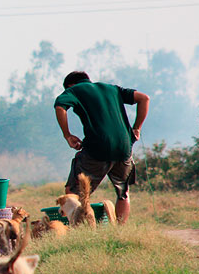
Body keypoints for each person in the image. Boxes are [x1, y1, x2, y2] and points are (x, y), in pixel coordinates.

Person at [53, 71, 149, 223]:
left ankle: (81, 230)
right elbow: (144, 98)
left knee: (73, 192)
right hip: (124, 147)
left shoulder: (74, 90)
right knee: (123, 193)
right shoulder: (112, 89)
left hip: (98, 147)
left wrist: (67, 135)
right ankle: (119, 231)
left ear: (70, 85)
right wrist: (137, 128)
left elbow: (60, 107)